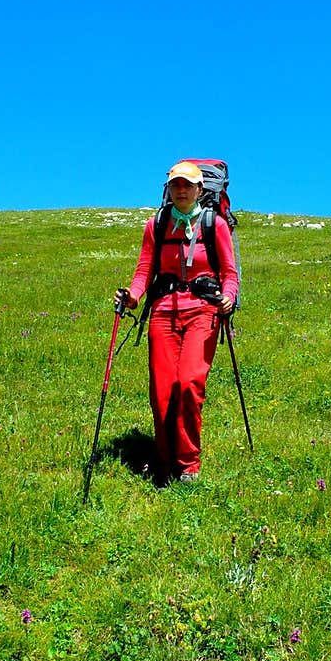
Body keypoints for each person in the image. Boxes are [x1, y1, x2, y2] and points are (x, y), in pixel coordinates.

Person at [115, 160, 239, 485]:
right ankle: (166, 460)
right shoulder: (156, 224)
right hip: (164, 311)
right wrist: (133, 297)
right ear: (169, 189)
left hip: (203, 311)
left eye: (188, 185)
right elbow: (144, 270)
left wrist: (228, 297)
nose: (181, 190)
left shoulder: (215, 225)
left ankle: (189, 464)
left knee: (189, 382)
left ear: (200, 190)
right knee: (162, 390)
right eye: (176, 185)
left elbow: (229, 273)